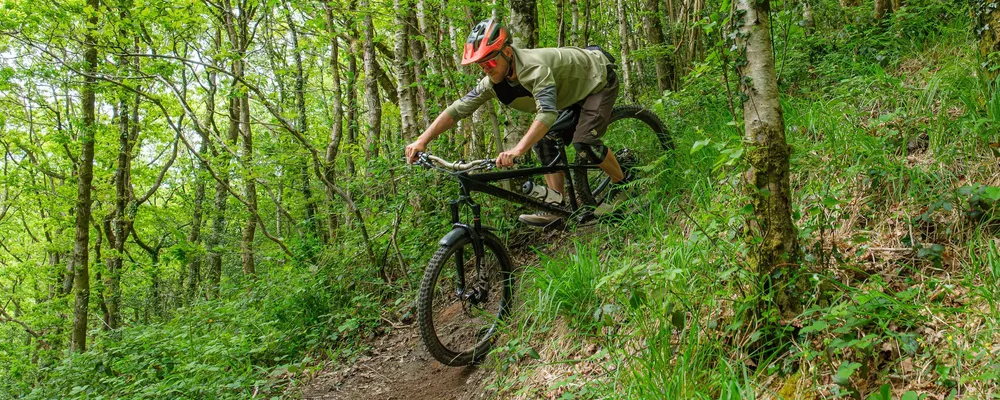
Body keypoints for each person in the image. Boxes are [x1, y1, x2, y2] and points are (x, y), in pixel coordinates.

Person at [404, 19, 628, 226]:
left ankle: (623, 187)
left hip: (597, 79)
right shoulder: (492, 82)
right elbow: (457, 109)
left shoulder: (533, 68)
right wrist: (422, 140)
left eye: (490, 60)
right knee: (544, 140)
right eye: (481, 64)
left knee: (584, 142)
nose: (486, 68)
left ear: (508, 52)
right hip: (569, 91)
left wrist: (518, 149)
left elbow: (547, 114)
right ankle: (556, 206)